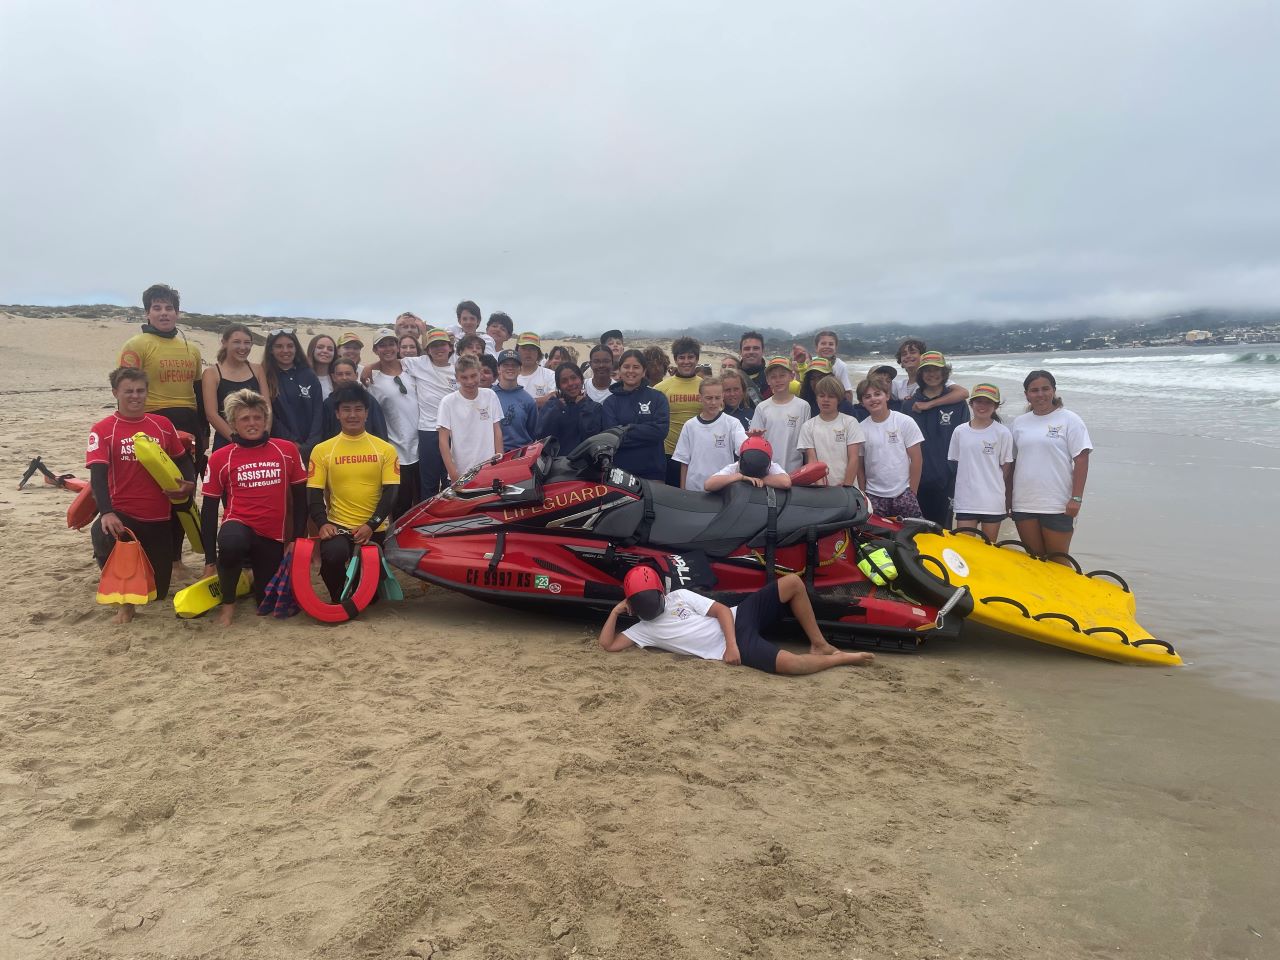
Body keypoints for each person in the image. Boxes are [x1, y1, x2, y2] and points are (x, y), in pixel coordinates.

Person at [596, 566, 875, 674]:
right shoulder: (643, 630)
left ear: (661, 593)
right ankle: (840, 659)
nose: (648, 609)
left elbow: (720, 610)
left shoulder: (679, 596)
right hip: (731, 645)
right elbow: (608, 645)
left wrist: (732, 645)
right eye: (640, 605)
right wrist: (615, 612)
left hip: (737, 619)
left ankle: (819, 643)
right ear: (631, 605)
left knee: (792, 582)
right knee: (792, 665)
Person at [87, 367, 195, 623]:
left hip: (158, 517)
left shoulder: (162, 425)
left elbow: (182, 459)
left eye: (140, 391)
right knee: (102, 532)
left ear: (147, 392)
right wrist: (107, 512)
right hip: (123, 513)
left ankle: (141, 580)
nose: (135, 396)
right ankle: (124, 604)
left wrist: (189, 483)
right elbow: (98, 476)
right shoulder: (104, 429)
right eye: (128, 391)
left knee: (157, 592)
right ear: (115, 393)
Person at [199, 389, 307, 626]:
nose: (252, 423)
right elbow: (209, 509)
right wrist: (209, 560)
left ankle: (248, 577)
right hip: (239, 525)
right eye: (245, 418)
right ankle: (228, 604)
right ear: (233, 423)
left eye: (257, 417)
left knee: (266, 604)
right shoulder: (221, 457)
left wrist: (296, 539)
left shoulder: (286, 450)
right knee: (231, 543)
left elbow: (301, 499)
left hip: (272, 536)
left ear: (266, 419)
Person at [307, 384, 399, 601]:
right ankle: (338, 598)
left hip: (374, 528)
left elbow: (391, 493)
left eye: (358, 409)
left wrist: (371, 525)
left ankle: (363, 590)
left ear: (366, 413)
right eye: (346, 409)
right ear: (337, 414)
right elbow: (313, 493)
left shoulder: (385, 449)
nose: (352, 415)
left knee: (370, 599)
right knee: (334, 554)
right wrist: (322, 523)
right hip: (339, 527)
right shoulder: (322, 450)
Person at [1010, 370, 1092, 564]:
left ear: (1054, 390)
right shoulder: (1019, 423)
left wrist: (1076, 499)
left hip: (1057, 504)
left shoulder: (1070, 419)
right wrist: (1007, 499)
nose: (1040, 394)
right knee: (1035, 561)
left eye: (1045, 389)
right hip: (1024, 503)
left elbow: (1081, 459)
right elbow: (1011, 463)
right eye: (1034, 390)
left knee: (1058, 563)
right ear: (1027, 395)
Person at [117, 283, 206, 463]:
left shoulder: (192, 349)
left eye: (169, 308)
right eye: (157, 308)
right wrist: (125, 427)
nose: (164, 313)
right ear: (147, 313)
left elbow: (198, 392)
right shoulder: (136, 345)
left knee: (188, 477)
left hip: (189, 421)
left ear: (177, 313)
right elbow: (125, 391)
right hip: (151, 419)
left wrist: (204, 430)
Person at [370, 328, 456, 498]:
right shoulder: (419, 363)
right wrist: (369, 367)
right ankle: (427, 512)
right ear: (427, 349)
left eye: (443, 344)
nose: (439, 349)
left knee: (451, 479)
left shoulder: (457, 368)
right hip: (427, 431)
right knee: (429, 483)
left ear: (450, 347)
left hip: (453, 431)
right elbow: (390, 360)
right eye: (434, 346)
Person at [903, 351, 969, 526]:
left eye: (936, 369)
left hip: (947, 479)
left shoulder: (958, 404)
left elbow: (966, 440)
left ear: (944, 372)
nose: (932, 374)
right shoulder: (909, 405)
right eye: (927, 370)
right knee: (915, 529)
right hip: (917, 480)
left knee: (943, 530)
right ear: (920, 374)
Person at [366, 329, 422, 518]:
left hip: (422, 447)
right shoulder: (373, 382)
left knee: (424, 501)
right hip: (397, 451)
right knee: (400, 505)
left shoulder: (412, 369)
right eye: (382, 345)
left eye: (391, 344)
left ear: (398, 347)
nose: (387, 348)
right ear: (375, 350)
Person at [948, 383, 1014, 541]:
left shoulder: (1003, 432)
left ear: (996, 406)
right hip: (966, 500)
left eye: (988, 402)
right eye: (978, 401)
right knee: (965, 548)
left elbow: (1006, 467)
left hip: (992, 501)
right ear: (971, 403)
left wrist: (991, 483)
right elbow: (956, 463)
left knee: (989, 548)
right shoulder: (959, 431)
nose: (982, 406)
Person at [858, 375, 923, 519]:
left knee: (914, 532)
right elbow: (859, 466)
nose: (873, 399)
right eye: (867, 396)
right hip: (873, 495)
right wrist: (863, 494)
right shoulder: (860, 428)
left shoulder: (905, 421)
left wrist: (912, 492)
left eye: (877, 394)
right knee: (875, 533)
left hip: (903, 493)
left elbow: (917, 459)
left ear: (887, 396)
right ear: (862, 403)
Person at [601, 348, 670, 482]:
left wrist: (626, 428)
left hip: (653, 472)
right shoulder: (610, 402)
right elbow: (612, 437)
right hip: (620, 473)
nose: (631, 371)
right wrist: (646, 432)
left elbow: (661, 431)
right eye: (626, 366)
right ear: (620, 370)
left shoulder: (658, 398)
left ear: (644, 371)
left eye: (636, 367)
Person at [672, 376, 747, 492]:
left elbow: (744, 450)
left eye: (717, 398)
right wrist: (683, 491)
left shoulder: (732, 423)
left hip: (722, 488)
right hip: (694, 488)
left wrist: (754, 440)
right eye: (708, 398)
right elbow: (684, 461)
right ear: (700, 398)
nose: (713, 402)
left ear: (722, 397)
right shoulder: (690, 425)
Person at [437, 356, 504, 483]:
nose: (470, 381)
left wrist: (499, 463)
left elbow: (497, 431)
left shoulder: (490, 395)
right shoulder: (448, 402)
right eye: (464, 377)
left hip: (489, 468)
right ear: (457, 378)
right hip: (462, 472)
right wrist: (454, 475)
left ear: (480, 373)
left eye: (473, 376)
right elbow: (443, 442)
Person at [262, 329, 323, 461]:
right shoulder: (265, 377)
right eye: (279, 346)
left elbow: (318, 411)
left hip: (313, 447)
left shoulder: (309, 374)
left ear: (296, 348)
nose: (285, 350)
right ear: (271, 350)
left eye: (290, 346)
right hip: (283, 447)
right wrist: (292, 442)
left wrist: (311, 443)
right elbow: (271, 416)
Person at [201, 323, 264, 452]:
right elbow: (211, 414)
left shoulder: (257, 370)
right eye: (236, 342)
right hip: (227, 441)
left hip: (258, 440)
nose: (243, 347)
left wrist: (263, 434)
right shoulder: (212, 373)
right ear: (224, 343)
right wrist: (236, 439)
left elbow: (266, 408)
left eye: (247, 343)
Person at [798, 375, 865, 488]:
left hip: (848, 487)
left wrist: (846, 486)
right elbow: (812, 460)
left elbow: (854, 458)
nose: (826, 400)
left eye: (831, 396)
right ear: (816, 398)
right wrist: (822, 488)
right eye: (821, 395)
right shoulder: (808, 426)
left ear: (839, 399)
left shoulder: (850, 422)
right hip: (821, 489)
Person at [655, 336, 705, 486]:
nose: (686, 361)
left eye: (691, 357)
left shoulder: (705, 387)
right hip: (669, 453)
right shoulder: (661, 388)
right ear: (676, 359)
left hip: (699, 452)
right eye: (681, 357)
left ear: (697, 359)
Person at [749, 356, 809, 472]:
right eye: (773, 377)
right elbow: (755, 441)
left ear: (792, 376)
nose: (778, 380)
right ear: (768, 380)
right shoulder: (762, 408)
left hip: (795, 472)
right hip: (768, 472)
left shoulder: (803, 406)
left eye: (782, 375)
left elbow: (806, 445)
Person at [537, 362, 605, 454]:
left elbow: (591, 437)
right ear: (559, 385)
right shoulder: (551, 406)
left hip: (583, 461)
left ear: (581, 379)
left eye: (574, 378)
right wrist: (556, 409)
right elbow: (541, 437)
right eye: (564, 381)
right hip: (557, 461)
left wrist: (583, 407)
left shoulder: (594, 407)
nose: (570, 383)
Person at [703, 435, 792, 492]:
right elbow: (708, 485)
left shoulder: (772, 466)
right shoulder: (734, 467)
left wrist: (760, 479)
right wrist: (741, 477)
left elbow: (786, 482)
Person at [493, 350, 539, 451]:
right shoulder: (489, 396)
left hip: (520, 454)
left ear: (520, 369)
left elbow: (532, 432)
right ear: (498, 369)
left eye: (514, 365)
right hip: (494, 454)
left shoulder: (529, 400)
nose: (510, 368)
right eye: (506, 365)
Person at [515, 333, 557, 406]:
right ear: (517, 350)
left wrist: (521, 404)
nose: (528, 352)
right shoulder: (509, 375)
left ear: (538, 352)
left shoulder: (550, 375)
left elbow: (554, 398)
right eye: (524, 348)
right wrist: (541, 401)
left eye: (532, 349)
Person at [813, 330, 854, 400]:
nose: (827, 346)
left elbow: (847, 391)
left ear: (835, 348)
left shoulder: (840, 365)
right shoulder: (811, 362)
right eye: (823, 343)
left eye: (831, 344)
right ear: (816, 347)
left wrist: (847, 406)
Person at [737, 331, 768, 403]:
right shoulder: (732, 377)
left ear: (763, 351)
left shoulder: (771, 377)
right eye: (747, 349)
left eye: (756, 348)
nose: (751, 352)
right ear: (740, 352)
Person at [306, 335, 338, 399]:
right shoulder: (303, 376)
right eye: (320, 347)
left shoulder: (338, 378)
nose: (325, 351)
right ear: (312, 350)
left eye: (330, 349)